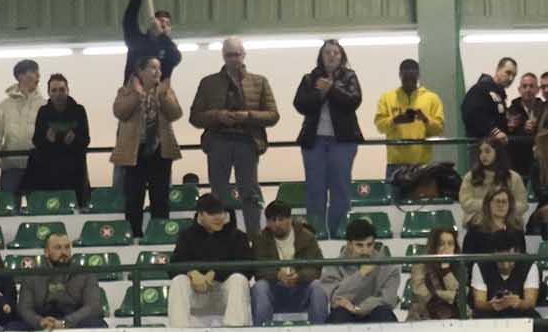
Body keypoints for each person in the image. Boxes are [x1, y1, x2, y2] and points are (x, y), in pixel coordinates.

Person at [189, 37, 279, 220]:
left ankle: (254, 238)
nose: (234, 59)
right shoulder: (208, 83)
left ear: (244, 55)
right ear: (223, 56)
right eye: (229, 55)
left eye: (237, 55)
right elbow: (195, 117)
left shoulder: (260, 82)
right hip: (218, 140)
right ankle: (218, 237)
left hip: (247, 141)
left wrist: (248, 116)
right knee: (217, 194)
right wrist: (217, 116)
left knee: (250, 193)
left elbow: (273, 115)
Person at [285, 38, 362, 239]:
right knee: (315, 189)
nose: (331, 56)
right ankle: (315, 233)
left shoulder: (350, 77)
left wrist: (332, 89)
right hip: (314, 141)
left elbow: (354, 100)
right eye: (327, 52)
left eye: (335, 52)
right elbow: (300, 104)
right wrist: (320, 93)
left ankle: (339, 233)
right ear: (321, 56)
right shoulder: (309, 78)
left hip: (342, 142)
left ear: (342, 56)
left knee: (341, 189)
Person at [111, 57, 183, 234]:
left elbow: (175, 113)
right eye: (152, 68)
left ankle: (160, 233)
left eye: (159, 68)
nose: (158, 72)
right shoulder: (126, 91)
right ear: (141, 71)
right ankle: (134, 234)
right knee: (134, 198)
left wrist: (164, 95)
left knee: (160, 198)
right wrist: (137, 95)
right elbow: (120, 112)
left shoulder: (165, 90)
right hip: (136, 151)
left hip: (160, 151)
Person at [165, 191, 250, 329]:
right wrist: (192, 272)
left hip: (224, 294)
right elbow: (174, 265)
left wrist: (214, 273)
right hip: (198, 294)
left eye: (221, 213)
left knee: (238, 279)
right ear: (201, 214)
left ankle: (235, 331)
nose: (219, 218)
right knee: (179, 281)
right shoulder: (186, 235)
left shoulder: (238, 236)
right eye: (212, 214)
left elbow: (246, 268)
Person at [246, 199, 327, 326]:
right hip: (274, 289)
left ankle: (319, 330)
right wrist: (278, 275)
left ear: (290, 219)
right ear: (267, 222)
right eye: (273, 220)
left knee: (318, 286)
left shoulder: (307, 237)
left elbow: (316, 267)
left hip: (301, 288)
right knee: (260, 287)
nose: (277, 224)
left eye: (281, 219)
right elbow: (258, 269)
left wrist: (299, 275)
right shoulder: (260, 239)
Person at [374, 58, 446, 190]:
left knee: (422, 205)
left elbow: (439, 128)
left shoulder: (432, 98)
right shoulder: (387, 98)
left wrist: (425, 119)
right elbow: (379, 125)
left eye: (412, 77)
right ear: (400, 75)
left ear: (418, 76)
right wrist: (396, 120)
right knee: (393, 206)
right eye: (405, 77)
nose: (408, 81)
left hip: (422, 164)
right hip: (395, 164)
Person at [16, 228, 106, 330]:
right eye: (57, 248)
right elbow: (24, 308)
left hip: (75, 319)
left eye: (67, 247)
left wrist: (65, 323)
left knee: (96, 324)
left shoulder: (85, 273)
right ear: (46, 252)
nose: (64, 252)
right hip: (42, 318)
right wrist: (40, 321)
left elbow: (94, 306)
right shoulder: (31, 275)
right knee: (14, 327)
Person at [0, 59, 45, 209]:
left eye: (37, 73)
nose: (37, 76)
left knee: (38, 210)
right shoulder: (5, 106)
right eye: (33, 72)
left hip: (36, 166)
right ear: (20, 76)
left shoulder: (43, 105)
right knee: (8, 210)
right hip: (10, 167)